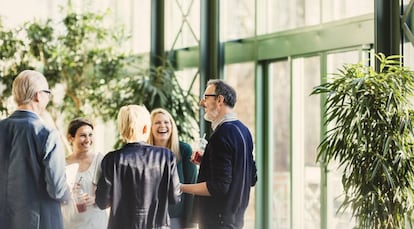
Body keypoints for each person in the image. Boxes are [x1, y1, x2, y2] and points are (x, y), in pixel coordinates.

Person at [180, 79, 258, 229]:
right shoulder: (244, 131)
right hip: (236, 220)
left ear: (220, 100)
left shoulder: (221, 135)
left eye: (206, 97)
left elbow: (219, 186)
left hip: (217, 221)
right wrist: (208, 161)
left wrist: (180, 187)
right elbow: (251, 177)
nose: (202, 103)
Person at [0, 70, 69, 229]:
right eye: (48, 93)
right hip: (39, 221)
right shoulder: (46, 132)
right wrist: (68, 194)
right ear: (38, 95)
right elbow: (57, 189)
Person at [95, 104, 181, 229]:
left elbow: (102, 202)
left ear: (121, 129)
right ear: (146, 128)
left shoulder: (111, 160)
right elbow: (174, 198)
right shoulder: (166, 156)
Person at [148, 108, 198, 229]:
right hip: (149, 220)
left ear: (172, 126)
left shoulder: (184, 150)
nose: (162, 126)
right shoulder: (144, 153)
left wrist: (190, 223)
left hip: (177, 220)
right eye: (157, 123)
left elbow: (192, 188)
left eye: (166, 122)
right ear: (150, 128)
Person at [63, 118, 108, 229]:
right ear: (70, 138)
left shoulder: (101, 161)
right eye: (83, 135)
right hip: (69, 224)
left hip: (96, 223)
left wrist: (96, 198)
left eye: (90, 135)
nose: (88, 140)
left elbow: (112, 193)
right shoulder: (62, 164)